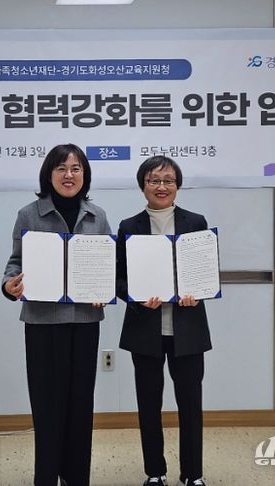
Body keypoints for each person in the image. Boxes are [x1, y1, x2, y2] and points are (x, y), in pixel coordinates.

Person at [2, 143, 111, 486]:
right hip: (42, 323)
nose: (69, 175)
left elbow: (108, 264)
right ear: (48, 175)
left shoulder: (97, 216)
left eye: (76, 168)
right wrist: (9, 285)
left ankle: (76, 477)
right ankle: (47, 477)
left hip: (84, 323)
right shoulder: (29, 214)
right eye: (61, 168)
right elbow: (15, 262)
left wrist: (104, 289)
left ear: (85, 175)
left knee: (80, 406)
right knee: (47, 406)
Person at [116, 156, 212, 486]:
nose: (161, 186)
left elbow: (205, 271)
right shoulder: (129, 226)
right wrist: (136, 297)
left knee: (191, 404)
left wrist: (198, 292)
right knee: (148, 404)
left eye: (168, 180)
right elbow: (118, 279)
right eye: (154, 180)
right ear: (142, 185)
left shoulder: (196, 222)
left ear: (177, 185)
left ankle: (193, 474)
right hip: (145, 329)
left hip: (188, 329)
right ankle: (155, 472)